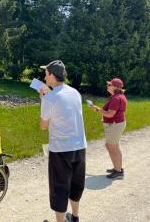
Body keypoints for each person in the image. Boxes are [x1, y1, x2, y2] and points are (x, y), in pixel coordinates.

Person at [39, 60, 87, 222]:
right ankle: (75, 217)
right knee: (76, 183)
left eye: (46, 74)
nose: (44, 78)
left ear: (52, 75)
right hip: (80, 146)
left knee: (59, 187)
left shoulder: (49, 98)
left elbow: (43, 126)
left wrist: (43, 99)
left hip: (60, 149)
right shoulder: (75, 93)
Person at [91, 78, 127, 179]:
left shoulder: (116, 98)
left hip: (115, 124)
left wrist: (99, 110)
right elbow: (110, 112)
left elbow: (110, 114)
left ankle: (118, 171)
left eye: (110, 85)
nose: (108, 86)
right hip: (116, 124)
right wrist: (101, 111)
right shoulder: (117, 96)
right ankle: (117, 167)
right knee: (111, 145)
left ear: (115, 87)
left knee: (112, 146)